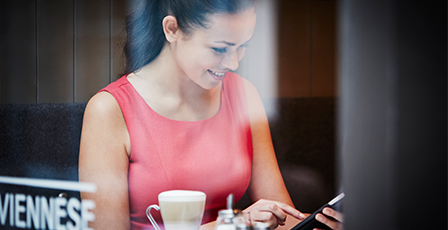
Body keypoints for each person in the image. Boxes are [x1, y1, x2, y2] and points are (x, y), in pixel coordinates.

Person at [78, 0, 343, 229]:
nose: (233, 62)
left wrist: (321, 224)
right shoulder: (110, 110)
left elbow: (284, 217)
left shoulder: (243, 94)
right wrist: (232, 224)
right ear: (172, 29)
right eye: (219, 48)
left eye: (243, 46)